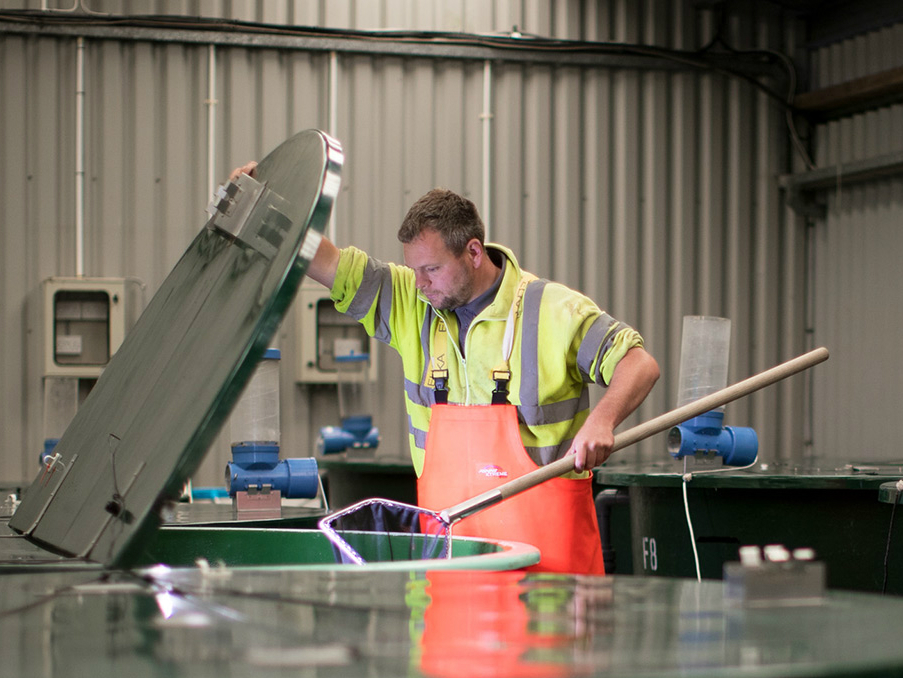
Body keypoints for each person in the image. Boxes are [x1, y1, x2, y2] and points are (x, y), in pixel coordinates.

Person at [231, 162, 660, 574]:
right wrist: (263, 211)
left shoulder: (555, 310)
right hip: (450, 568)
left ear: (473, 252)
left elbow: (638, 363)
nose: (420, 283)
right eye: (414, 270)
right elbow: (325, 261)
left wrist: (602, 421)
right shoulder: (409, 304)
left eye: (432, 269)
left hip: (547, 578)